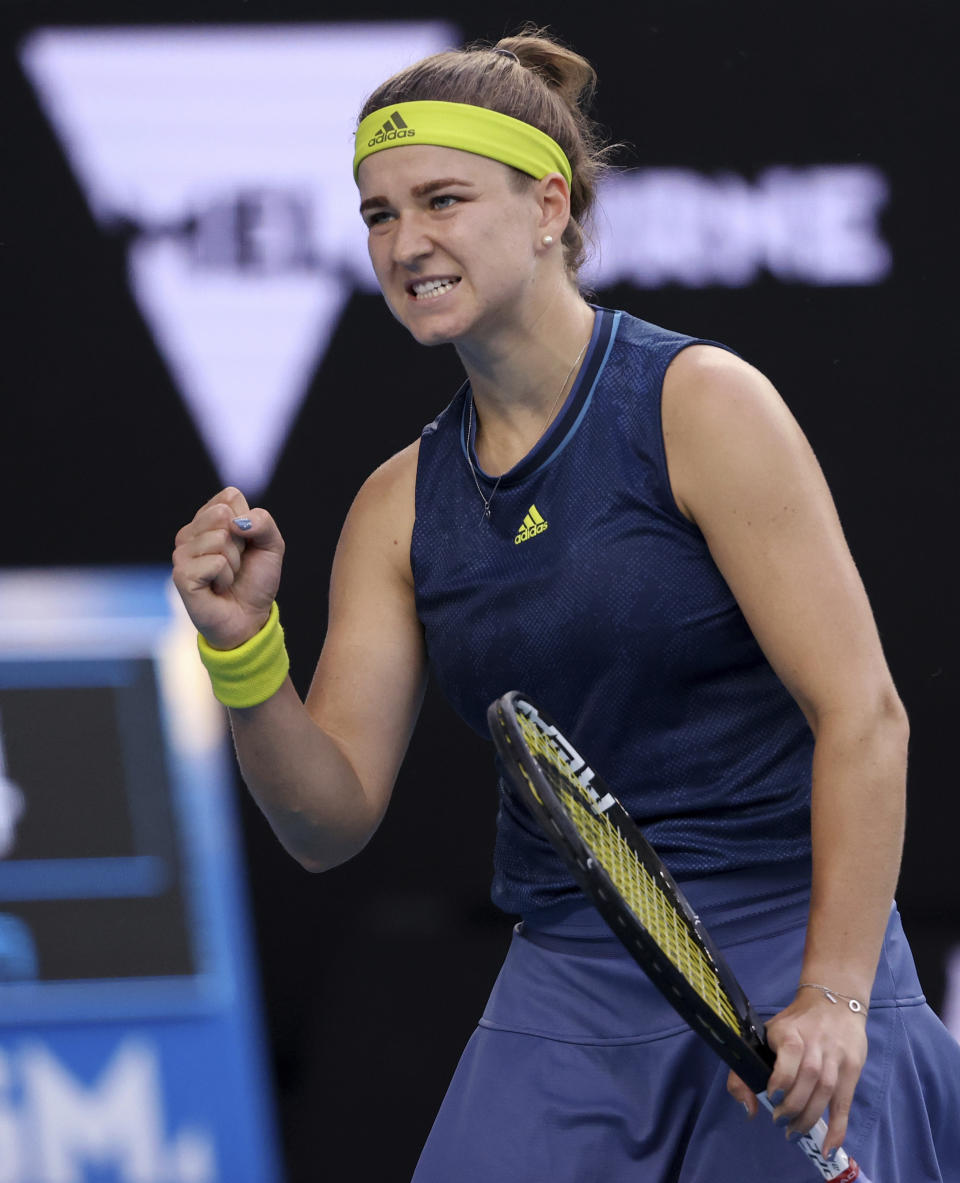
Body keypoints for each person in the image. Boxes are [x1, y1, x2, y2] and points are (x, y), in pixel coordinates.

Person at [172, 29, 960, 1183]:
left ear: (549, 206)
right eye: (379, 214)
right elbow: (325, 820)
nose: (406, 242)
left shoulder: (701, 406)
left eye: (441, 199)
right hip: (572, 971)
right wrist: (244, 659)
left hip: (795, 937)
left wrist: (838, 995)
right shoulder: (397, 505)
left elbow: (865, 715)